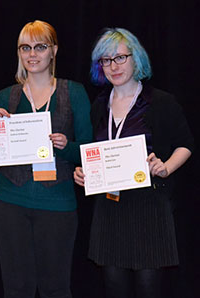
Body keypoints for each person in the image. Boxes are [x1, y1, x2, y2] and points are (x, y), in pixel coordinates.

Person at [74, 28, 194, 298]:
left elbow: (186, 144)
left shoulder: (161, 102)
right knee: (114, 288)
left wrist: (166, 167)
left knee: (148, 289)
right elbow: (91, 150)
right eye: (105, 60)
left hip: (148, 209)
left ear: (136, 58)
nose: (113, 66)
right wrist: (83, 172)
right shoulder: (98, 105)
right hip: (109, 208)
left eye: (120, 58)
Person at [0, 20, 93, 298]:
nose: (32, 54)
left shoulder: (75, 92)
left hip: (57, 204)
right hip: (9, 203)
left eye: (40, 47)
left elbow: (88, 149)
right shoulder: (4, 96)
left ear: (54, 51)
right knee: (15, 288)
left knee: (55, 288)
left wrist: (66, 146)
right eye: (25, 48)